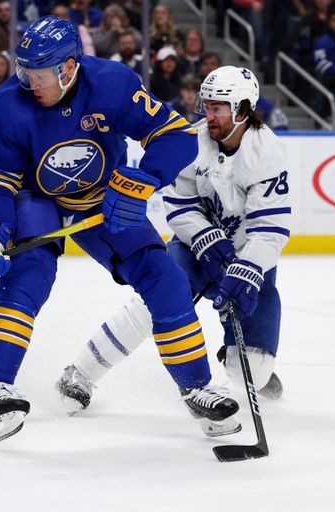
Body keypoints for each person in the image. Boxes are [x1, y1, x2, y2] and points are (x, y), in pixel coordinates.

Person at [0, 16, 237, 449]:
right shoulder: (7, 104)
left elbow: (177, 137)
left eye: (37, 74)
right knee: (29, 273)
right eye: (24, 71)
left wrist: (143, 180)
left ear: (68, 68)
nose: (27, 81)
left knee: (164, 277)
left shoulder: (112, 84)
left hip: (103, 201)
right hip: (39, 200)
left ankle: (197, 387)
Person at [57, 66, 290, 434]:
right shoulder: (193, 141)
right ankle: (79, 373)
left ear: (242, 110)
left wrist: (246, 269)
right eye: (206, 105)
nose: (207, 114)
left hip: (248, 260)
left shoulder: (268, 153)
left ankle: (255, 374)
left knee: (250, 370)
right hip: (197, 249)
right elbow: (180, 203)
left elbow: (270, 228)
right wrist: (205, 237)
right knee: (157, 298)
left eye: (218, 108)